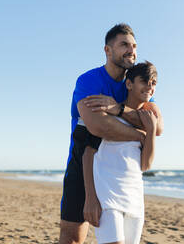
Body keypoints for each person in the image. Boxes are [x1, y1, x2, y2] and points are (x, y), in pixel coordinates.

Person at [59, 24, 163, 244]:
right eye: (124, 44)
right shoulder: (89, 81)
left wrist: (118, 109)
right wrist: (140, 135)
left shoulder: (137, 82)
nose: (131, 50)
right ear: (107, 50)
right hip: (83, 161)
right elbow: (98, 127)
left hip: (119, 176)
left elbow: (157, 125)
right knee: (72, 239)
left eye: (134, 46)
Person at [93, 61, 158, 244]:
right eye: (144, 81)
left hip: (135, 198)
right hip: (108, 194)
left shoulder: (147, 122)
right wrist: (90, 198)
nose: (149, 86)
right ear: (129, 84)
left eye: (153, 83)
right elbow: (87, 153)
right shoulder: (109, 112)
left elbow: (145, 165)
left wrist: (151, 130)